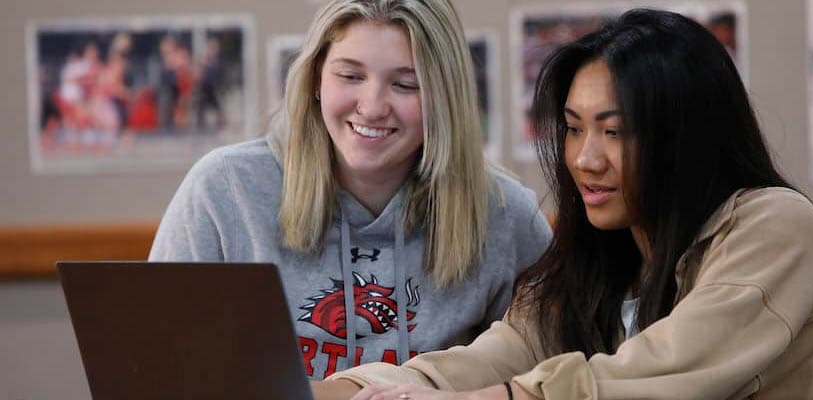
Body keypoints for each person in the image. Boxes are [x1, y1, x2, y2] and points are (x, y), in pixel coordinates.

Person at [314, 8, 813, 400]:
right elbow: (492, 357)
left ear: (684, 136)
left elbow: (670, 369)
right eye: (573, 129)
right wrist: (356, 391)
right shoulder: (594, 258)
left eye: (613, 131)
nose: (585, 159)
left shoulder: (776, 223)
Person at [149, 0, 552, 381]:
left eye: (406, 84)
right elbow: (152, 363)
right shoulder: (224, 190)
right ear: (316, 79)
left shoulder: (506, 214)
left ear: (443, 98)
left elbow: (554, 372)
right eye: (350, 76)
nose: (373, 106)